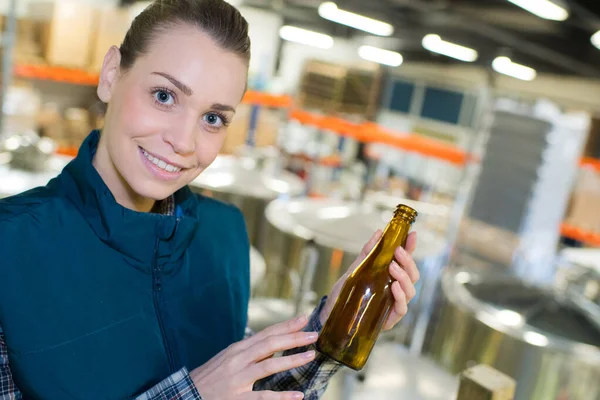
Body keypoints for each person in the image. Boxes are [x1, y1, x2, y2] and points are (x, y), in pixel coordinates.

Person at [0, 1, 420, 399]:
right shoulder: (11, 248)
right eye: (164, 96)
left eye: (213, 119)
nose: (183, 142)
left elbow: (243, 391)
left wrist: (332, 329)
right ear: (111, 74)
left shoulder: (225, 238)